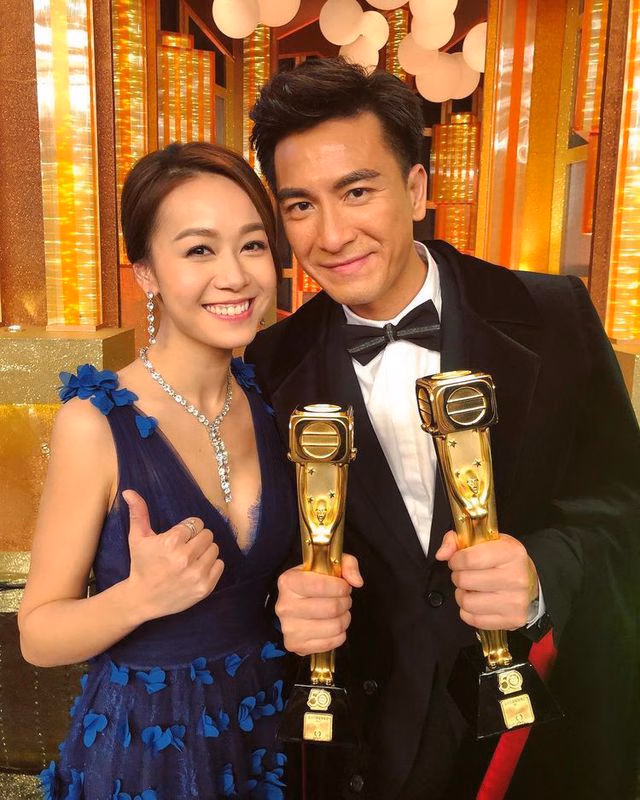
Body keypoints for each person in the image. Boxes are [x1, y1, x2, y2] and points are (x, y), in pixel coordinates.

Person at [246, 58, 640, 799]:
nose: (332, 234)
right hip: (369, 746)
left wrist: (541, 571)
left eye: (357, 191)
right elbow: (263, 549)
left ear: (418, 188)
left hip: (538, 736)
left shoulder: (554, 315)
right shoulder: (268, 365)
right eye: (300, 205)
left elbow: (623, 505)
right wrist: (281, 600)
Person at [18, 142, 296, 800]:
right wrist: (140, 597)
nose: (235, 275)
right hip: (147, 754)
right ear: (146, 273)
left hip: (263, 726)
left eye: (252, 245)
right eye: (199, 249)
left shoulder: (270, 399)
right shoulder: (96, 423)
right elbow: (37, 635)